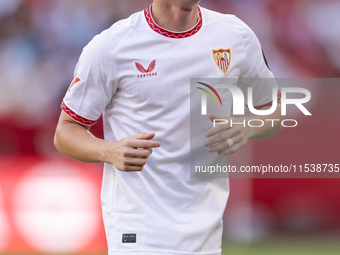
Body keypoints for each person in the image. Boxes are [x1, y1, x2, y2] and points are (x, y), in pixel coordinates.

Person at [54, 0, 283, 254]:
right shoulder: (111, 46)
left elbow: (273, 109)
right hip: (138, 228)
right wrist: (109, 151)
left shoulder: (235, 35)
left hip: (205, 231)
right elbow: (65, 131)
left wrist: (248, 127)